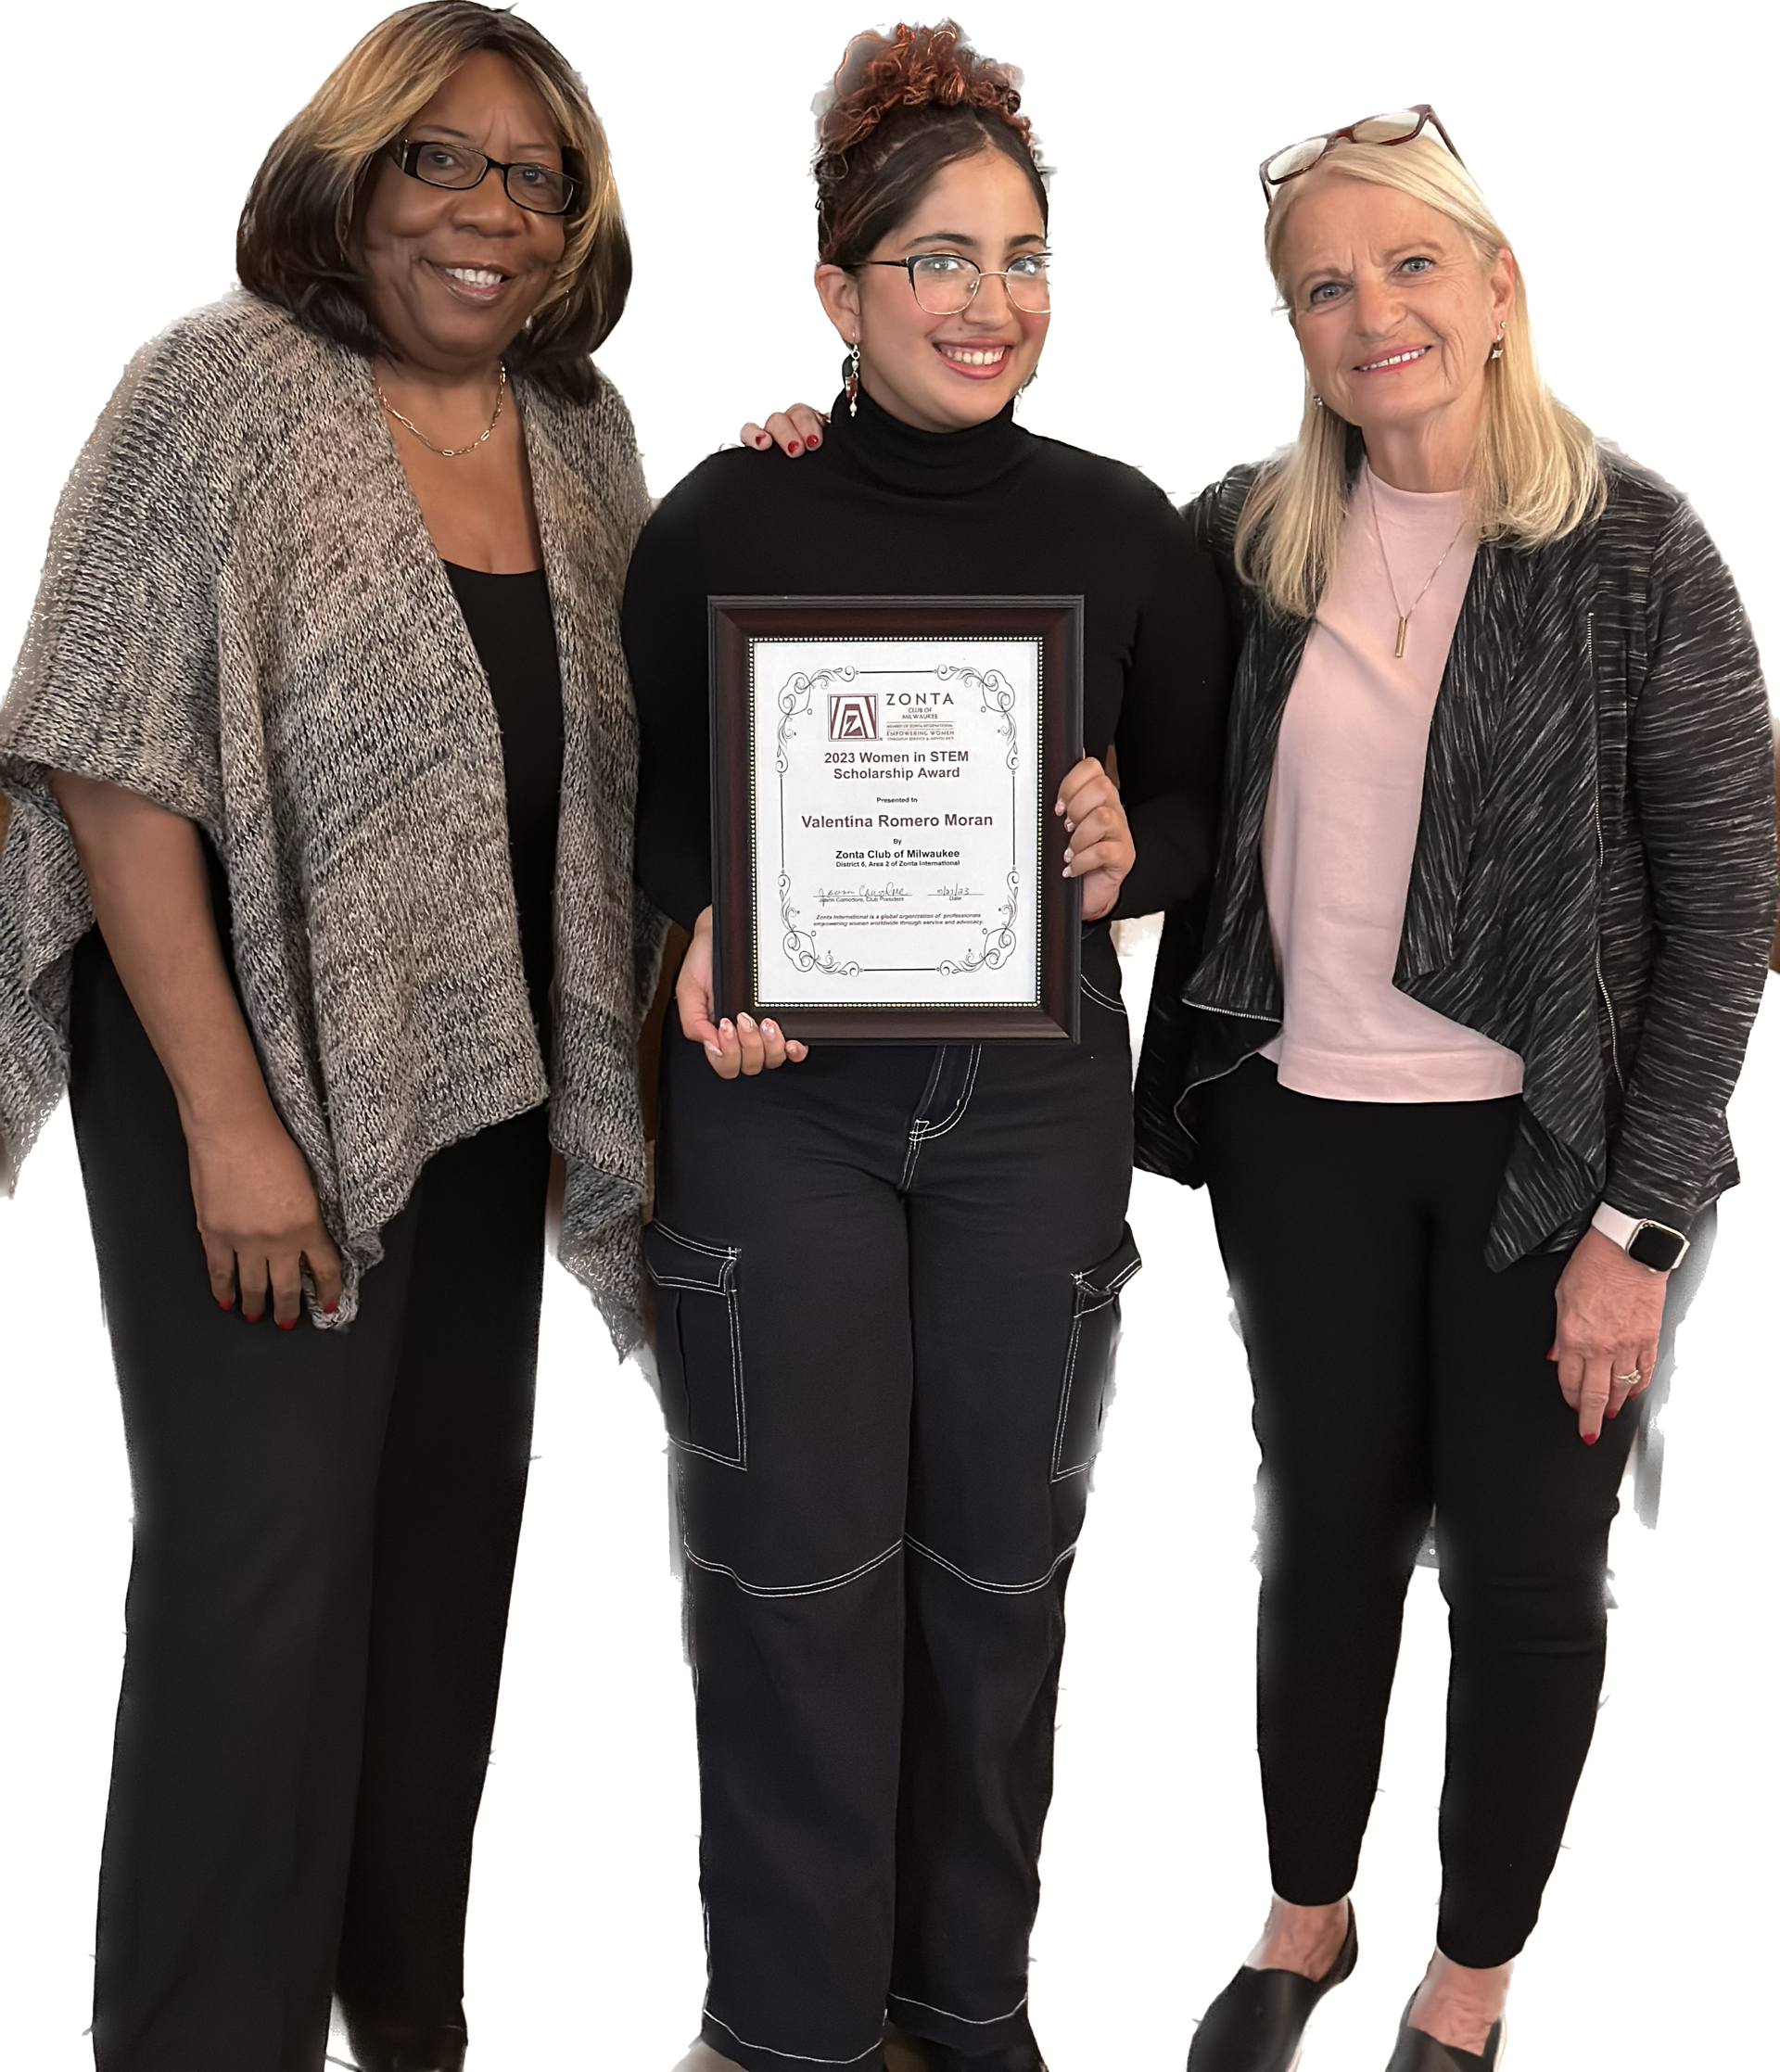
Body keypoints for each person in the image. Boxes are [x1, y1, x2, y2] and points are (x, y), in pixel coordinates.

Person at [0, 6, 658, 2066]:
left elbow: (618, 784)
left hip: (476, 1100)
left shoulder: (590, 430)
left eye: (535, 179)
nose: (489, 214)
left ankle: (397, 2015)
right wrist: (227, 1119)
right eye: (439, 164)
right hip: (240, 1094)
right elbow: (113, 763)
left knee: (441, 1577)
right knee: (258, 1582)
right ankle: (205, 2033)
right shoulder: (214, 389)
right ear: (348, 177)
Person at [1125, 105, 1777, 2070]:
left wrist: (1638, 1232)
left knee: (1524, 1570)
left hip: (1552, 1161)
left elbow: (1729, 919)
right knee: (1317, 1531)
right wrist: (815, 444)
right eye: (1325, 283)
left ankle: (1467, 1983)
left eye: (1411, 265)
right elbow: (1076, 682)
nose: (1372, 310)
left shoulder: (1640, 545)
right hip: (1296, 1127)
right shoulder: (1247, 531)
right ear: (1291, 326)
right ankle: (1303, 1922)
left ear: (1499, 287)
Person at [621, 19, 1233, 2071]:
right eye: (940, 259)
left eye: (1029, 255)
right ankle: (782, 2025)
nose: (996, 302)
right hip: (783, 1113)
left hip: (1034, 1109)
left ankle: (968, 2014)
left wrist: (1135, 837)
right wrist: (706, 930)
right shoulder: (723, 511)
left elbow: (1209, 806)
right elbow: (669, 818)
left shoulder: (1138, 528)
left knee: (995, 1589)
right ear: (834, 294)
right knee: (792, 1585)